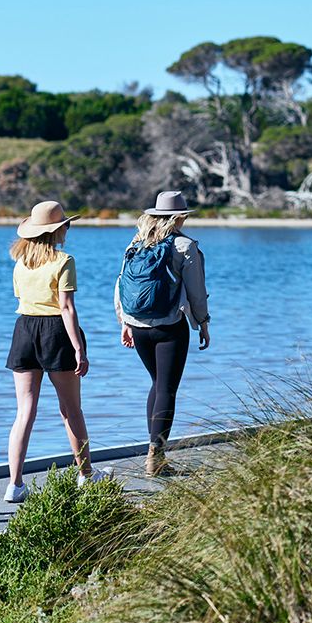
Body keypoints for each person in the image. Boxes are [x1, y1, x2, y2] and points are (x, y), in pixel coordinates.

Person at [3, 200, 107, 503]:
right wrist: (79, 349)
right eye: (65, 224)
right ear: (58, 229)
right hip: (55, 332)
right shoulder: (64, 260)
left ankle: (15, 484)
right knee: (71, 409)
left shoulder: (20, 263)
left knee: (25, 411)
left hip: (23, 330)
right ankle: (86, 475)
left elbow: (22, 298)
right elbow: (65, 308)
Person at [115, 191, 210, 476]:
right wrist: (203, 322)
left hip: (139, 327)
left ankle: (155, 451)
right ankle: (155, 457)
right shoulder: (184, 246)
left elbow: (121, 284)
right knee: (167, 388)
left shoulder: (135, 244)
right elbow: (196, 291)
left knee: (157, 384)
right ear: (179, 216)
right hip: (171, 327)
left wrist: (124, 322)